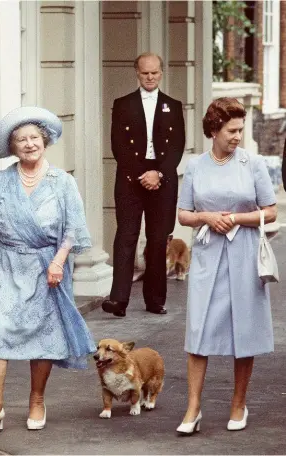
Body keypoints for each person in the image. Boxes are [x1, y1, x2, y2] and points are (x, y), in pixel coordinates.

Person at [0, 107, 96, 433]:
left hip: (46, 269)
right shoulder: (2, 181)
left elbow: (73, 230)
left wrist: (58, 262)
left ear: (45, 140)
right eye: (21, 140)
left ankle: (37, 400)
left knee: (43, 335)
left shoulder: (62, 182)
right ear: (13, 147)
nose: (29, 144)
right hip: (8, 266)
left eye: (33, 138)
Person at [176, 97, 277, 434]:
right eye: (232, 130)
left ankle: (238, 403)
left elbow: (271, 210)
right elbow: (185, 214)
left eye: (240, 129)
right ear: (214, 130)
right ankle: (193, 408)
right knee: (198, 330)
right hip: (207, 254)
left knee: (243, 329)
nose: (237, 136)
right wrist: (206, 217)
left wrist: (235, 218)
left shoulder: (253, 163)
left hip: (245, 252)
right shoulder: (195, 165)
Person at [102, 52, 185, 317]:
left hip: (162, 180)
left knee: (158, 240)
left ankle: (155, 300)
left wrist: (158, 174)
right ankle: (118, 299)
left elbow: (176, 147)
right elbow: (118, 146)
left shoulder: (173, 105)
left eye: (155, 73)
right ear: (136, 73)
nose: (150, 77)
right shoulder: (122, 104)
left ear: (161, 73)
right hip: (130, 179)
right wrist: (142, 174)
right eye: (145, 73)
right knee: (126, 236)